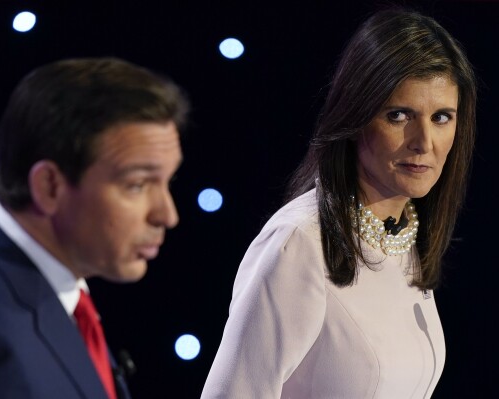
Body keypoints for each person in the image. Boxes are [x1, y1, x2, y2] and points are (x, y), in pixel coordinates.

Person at [201, 8, 476, 399]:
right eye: (399, 115)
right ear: (356, 117)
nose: (424, 142)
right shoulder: (299, 243)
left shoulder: (403, 235)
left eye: (442, 117)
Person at [0, 57, 189, 398]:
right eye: (137, 185)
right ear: (50, 186)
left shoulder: (30, 271)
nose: (167, 215)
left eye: (167, 181)